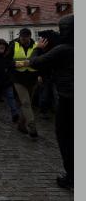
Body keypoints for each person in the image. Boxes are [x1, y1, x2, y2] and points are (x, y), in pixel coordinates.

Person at [28, 15, 74, 190]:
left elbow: (35, 63)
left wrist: (38, 48)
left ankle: (71, 176)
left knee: (65, 137)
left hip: (68, 98)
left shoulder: (63, 49)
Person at [6, 28, 39, 138]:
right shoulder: (13, 45)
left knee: (28, 103)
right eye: (21, 37)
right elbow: (6, 60)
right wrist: (16, 64)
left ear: (29, 37)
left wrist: (40, 75)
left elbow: (41, 61)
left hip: (32, 78)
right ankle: (32, 127)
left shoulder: (36, 46)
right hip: (18, 78)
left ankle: (21, 124)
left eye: (25, 38)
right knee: (25, 102)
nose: (22, 39)